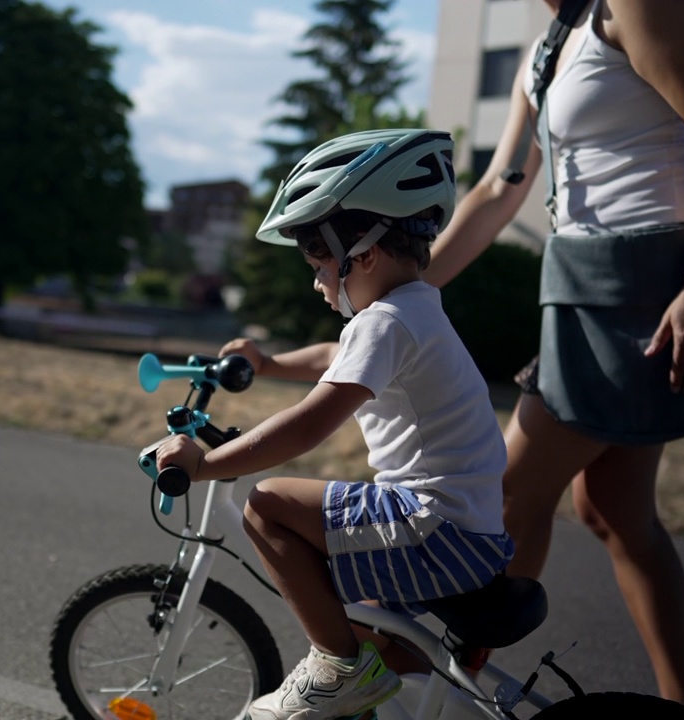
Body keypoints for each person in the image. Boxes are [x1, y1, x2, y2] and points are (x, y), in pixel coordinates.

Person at [421, 0, 684, 713]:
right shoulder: (549, 46)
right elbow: (498, 188)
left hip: (647, 296)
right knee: (613, 511)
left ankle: (449, 683)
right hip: (578, 292)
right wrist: (400, 294)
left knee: (507, 490)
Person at [155, 128, 514, 720]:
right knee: (365, 621)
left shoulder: (384, 325)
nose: (316, 279)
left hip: (433, 531)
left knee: (267, 505)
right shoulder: (411, 310)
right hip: (472, 535)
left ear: (365, 254)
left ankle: (337, 669)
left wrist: (206, 464)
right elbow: (331, 356)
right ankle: (422, 695)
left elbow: (307, 427)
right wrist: (268, 363)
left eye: (318, 262)